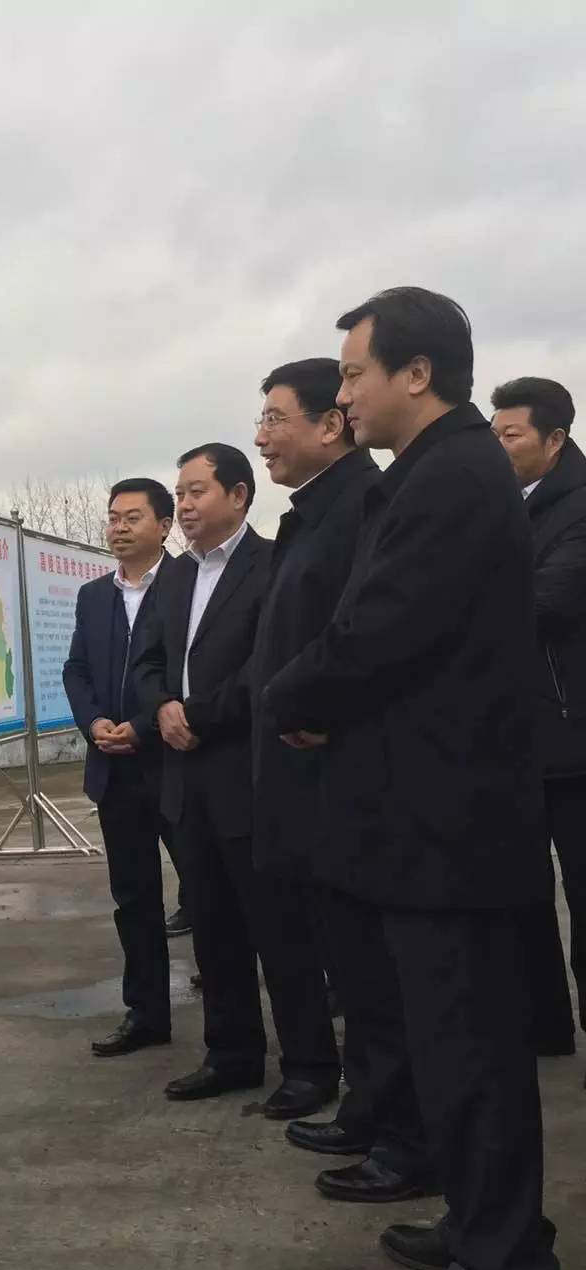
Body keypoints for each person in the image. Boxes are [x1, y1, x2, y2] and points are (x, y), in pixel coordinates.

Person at [264, 288, 559, 1270]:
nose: (344, 394)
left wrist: (287, 694)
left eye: (354, 373)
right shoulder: (437, 471)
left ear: (417, 373)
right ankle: (480, 1220)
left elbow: (379, 629)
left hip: (451, 826)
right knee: (450, 1048)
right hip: (424, 819)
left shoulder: (453, 477)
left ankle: (505, 1250)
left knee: (472, 1050)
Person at [249, 358, 425, 1189]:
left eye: (275, 419)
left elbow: (363, 639)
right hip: (308, 776)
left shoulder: (363, 506)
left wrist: (309, 705)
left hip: (345, 778)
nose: (261, 438)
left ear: (329, 425)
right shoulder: (316, 514)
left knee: (379, 974)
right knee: (351, 965)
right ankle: (370, 1106)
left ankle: (405, 1137)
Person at [134, 445, 339, 1118]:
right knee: (214, 932)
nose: (185, 505)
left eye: (197, 491)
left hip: (249, 774)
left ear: (240, 495)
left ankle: (310, 1066)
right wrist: (163, 708)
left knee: (280, 931)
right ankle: (231, 1054)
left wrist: (200, 715)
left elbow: (272, 662)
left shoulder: (273, 563)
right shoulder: (173, 579)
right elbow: (147, 663)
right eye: (180, 494)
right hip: (185, 780)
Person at [64, 478, 178, 1056]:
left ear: (165, 525)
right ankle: (146, 1013)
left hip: (177, 764)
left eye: (133, 517)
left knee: (212, 897)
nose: (119, 527)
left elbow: (190, 674)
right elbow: (77, 669)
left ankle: (231, 1021)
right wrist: (94, 723)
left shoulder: (188, 584)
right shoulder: (93, 596)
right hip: (114, 769)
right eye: (113, 517)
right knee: (134, 899)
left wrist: (142, 724)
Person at [493, 376, 585, 1061]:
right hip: (514, 739)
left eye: (510, 434)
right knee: (520, 893)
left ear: (554, 440)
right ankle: (544, 1025)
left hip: (574, 739)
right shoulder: (505, 509)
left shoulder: (579, 508)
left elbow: (546, 602)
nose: (497, 447)